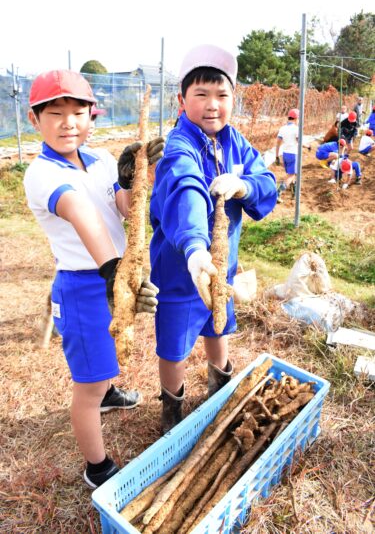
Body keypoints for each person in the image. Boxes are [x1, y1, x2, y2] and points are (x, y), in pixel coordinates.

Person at [23, 70, 163, 488]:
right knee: (87, 384)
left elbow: (118, 208)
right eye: (56, 113)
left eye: (78, 112)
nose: (68, 122)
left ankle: (107, 391)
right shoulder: (41, 175)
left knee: (106, 357)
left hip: (111, 273)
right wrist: (112, 271)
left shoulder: (99, 158)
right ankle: (97, 467)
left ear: (91, 116)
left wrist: (132, 179)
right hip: (84, 285)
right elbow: (81, 214)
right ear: (35, 120)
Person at [149, 44, 277, 433]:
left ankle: (219, 390)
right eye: (200, 94)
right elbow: (186, 188)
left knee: (218, 326)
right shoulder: (179, 146)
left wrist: (245, 186)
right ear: (181, 99)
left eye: (222, 95)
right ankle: (172, 410)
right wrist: (193, 249)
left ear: (233, 98)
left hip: (223, 269)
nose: (212, 105)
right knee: (174, 345)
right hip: (182, 269)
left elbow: (267, 183)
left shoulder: (236, 142)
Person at [275, 108, 299, 203]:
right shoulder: (296, 129)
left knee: (292, 174)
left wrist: (276, 156)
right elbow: (299, 141)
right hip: (294, 154)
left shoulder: (283, 128)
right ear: (296, 118)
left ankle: (294, 193)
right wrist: (307, 145)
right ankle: (278, 193)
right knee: (291, 175)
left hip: (285, 154)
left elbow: (278, 143)